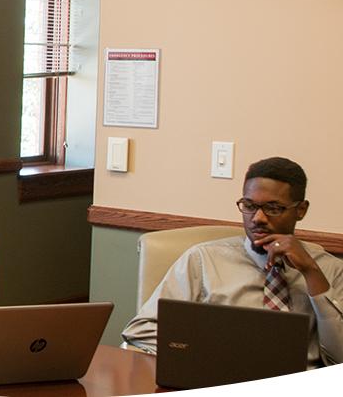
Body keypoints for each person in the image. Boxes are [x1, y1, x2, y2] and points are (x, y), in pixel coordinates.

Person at [122, 157, 343, 366]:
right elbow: (142, 329)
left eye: (273, 208)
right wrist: (211, 356)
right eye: (249, 206)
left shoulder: (329, 269)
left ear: (301, 210)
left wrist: (311, 273)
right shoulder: (203, 260)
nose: (258, 218)